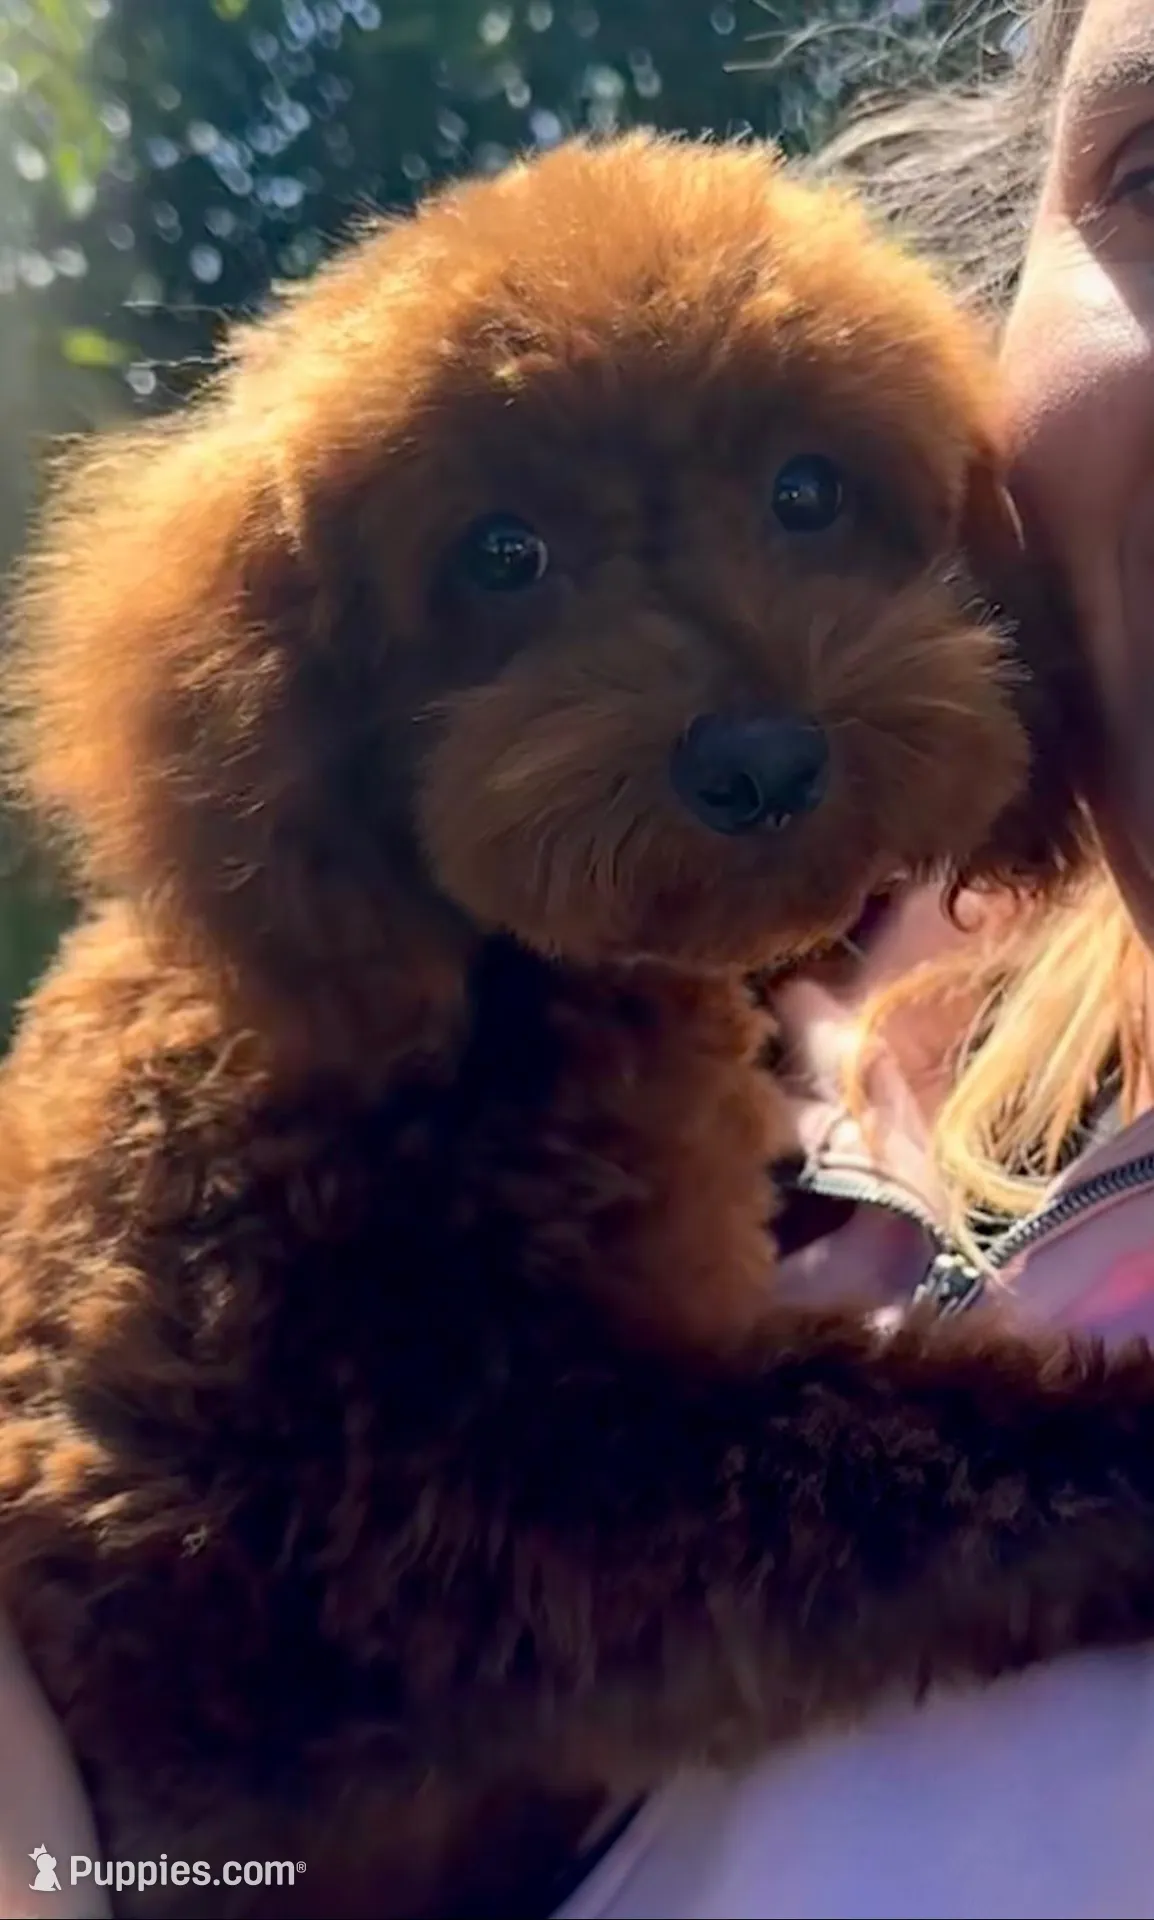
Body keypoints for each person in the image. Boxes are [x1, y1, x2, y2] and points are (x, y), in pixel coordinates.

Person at [5, 0, 1154, 1913]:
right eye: (508, 568)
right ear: (307, 696)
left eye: (810, 503)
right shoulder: (370, 1095)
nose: (747, 711)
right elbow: (532, 1539)